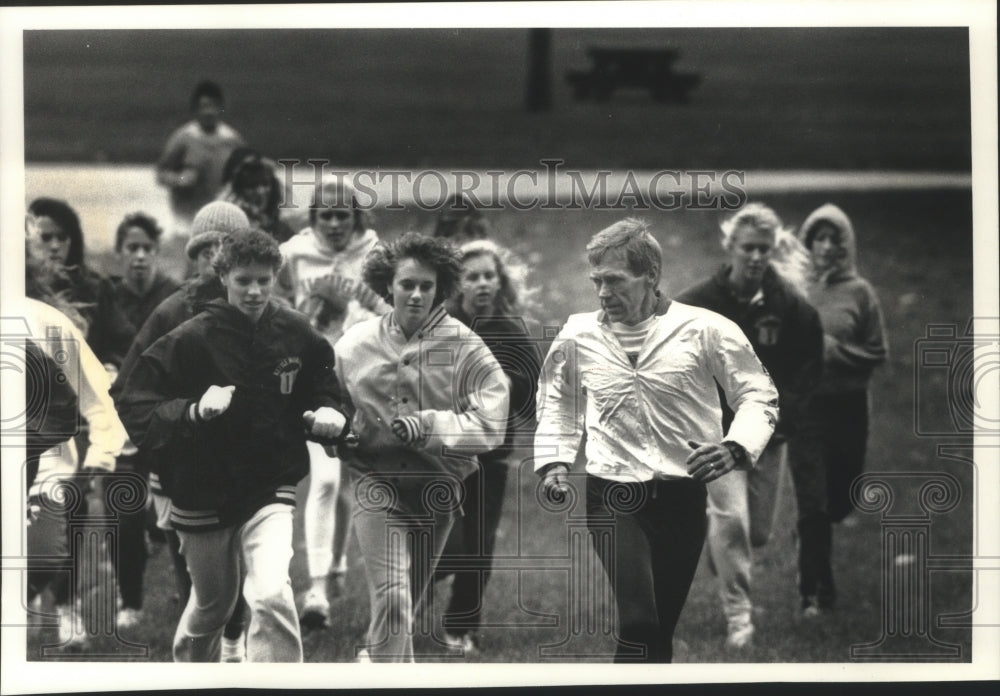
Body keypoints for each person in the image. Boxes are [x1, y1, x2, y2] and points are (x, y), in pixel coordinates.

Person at [534, 218, 779, 663]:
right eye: (597, 281)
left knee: (659, 633)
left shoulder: (706, 329)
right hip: (613, 495)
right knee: (639, 622)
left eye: (614, 281)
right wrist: (555, 460)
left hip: (682, 496)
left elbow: (758, 393)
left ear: (650, 277)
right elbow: (558, 401)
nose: (603, 293)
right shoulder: (577, 335)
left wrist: (734, 446)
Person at [116, 228, 350, 663]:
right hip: (200, 490)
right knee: (212, 607)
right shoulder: (189, 336)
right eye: (244, 280)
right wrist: (192, 410)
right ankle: (191, 673)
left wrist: (327, 412)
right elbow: (132, 396)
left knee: (271, 592)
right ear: (223, 277)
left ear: (277, 276)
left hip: (269, 486)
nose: (255, 290)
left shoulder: (293, 330)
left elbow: (321, 379)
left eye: (264, 279)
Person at [334, 232, 510, 662]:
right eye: (406, 284)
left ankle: (380, 663)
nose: (415, 294)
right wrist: (338, 430)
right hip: (376, 481)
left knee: (404, 608)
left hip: (438, 490)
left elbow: (493, 421)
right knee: (392, 598)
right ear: (387, 286)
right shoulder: (355, 345)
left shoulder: (466, 347)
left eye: (426, 286)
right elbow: (329, 402)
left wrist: (432, 426)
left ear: (441, 289)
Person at [675, 203, 824, 648]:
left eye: (764, 249)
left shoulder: (791, 309)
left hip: (768, 435)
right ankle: (740, 619)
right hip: (717, 434)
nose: (756, 257)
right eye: (748, 248)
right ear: (731, 248)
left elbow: (807, 368)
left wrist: (784, 417)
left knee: (756, 532)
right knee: (734, 522)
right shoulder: (698, 304)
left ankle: (715, 535)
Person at [111, 200, 251, 660]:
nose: (217, 256)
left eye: (228, 245)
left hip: (244, 468)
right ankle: (197, 663)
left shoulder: (262, 311)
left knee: (244, 574)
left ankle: (233, 650)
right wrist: (180, 419)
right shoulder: (172, 313)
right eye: (207, 246)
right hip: (178, 470)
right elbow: (128, 389)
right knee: (194, 576)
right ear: (194, 253)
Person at [277, 174, 389, 629]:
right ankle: (318, 588)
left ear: (356, 216)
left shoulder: (375, 253)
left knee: (346, 483)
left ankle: (337, 561)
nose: (335, 224)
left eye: (343, 215)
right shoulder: (293, 253)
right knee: (323, 480)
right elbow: (275, 301)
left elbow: (392, 306)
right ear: (313, 217)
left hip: (360, 377)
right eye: (326, 215)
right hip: (313, 378)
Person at [438, 239, 543, 654]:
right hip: (442, 455)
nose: (482, 284)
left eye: (489, 276)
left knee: (479, 547)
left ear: (500, 282)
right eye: (472, 276)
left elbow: (531, 396)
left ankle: (461, 629)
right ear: (457, 284)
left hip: (492, 457)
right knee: (451, 542)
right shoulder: (441, 328)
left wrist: (501, 386)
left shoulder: (511, 331)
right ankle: (406, 591)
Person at [19, 280, 126, 645]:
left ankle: (58, 605)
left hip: (50, 465)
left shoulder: (48, 323)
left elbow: (97, 394)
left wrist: (102, 451)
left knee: (47, 556)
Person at [794, 203, 888, 616]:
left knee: (840, 501)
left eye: (835, 239)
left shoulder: (860, 292)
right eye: (819, 238)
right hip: (806, 408)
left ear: (847, 244)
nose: (827, 246)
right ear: (808, 243)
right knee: (811, 503)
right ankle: (814, 591)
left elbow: (877, 351)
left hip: (849, 406)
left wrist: (836, 352)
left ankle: (812, 544)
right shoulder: (794, 289)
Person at [106, 212, 183, 629]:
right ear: (120, 253)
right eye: (131, 249)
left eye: (146, 249)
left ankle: (193, 588)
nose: (138, 256)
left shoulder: (174, 297)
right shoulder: (109, 297)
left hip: (165, 421)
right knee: (123, 511)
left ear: (157, 253)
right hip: (119, 422)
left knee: (176, 515)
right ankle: (130, 601)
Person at [26, 197, 135, 369]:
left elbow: (124, 342)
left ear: (72, 240)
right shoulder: (19, 289)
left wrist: (112, 363)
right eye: (46, 238)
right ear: (30, 242)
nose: (55, 245)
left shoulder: (96, 288)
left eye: (62, 237)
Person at [156, 80, 245, 234]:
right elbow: (161, 174)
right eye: (204, 106)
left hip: (219, 214)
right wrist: (181, 180)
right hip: (187, 216)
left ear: (221, 108)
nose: (209, 111)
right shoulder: (183, 138)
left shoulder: (232, 140)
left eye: (213, 106)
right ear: (195, 109)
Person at [218, 148, 295, 243]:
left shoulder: (282, 227)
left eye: (265, 184)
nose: (261, 191)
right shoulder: (224, 223)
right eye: (252, 186)